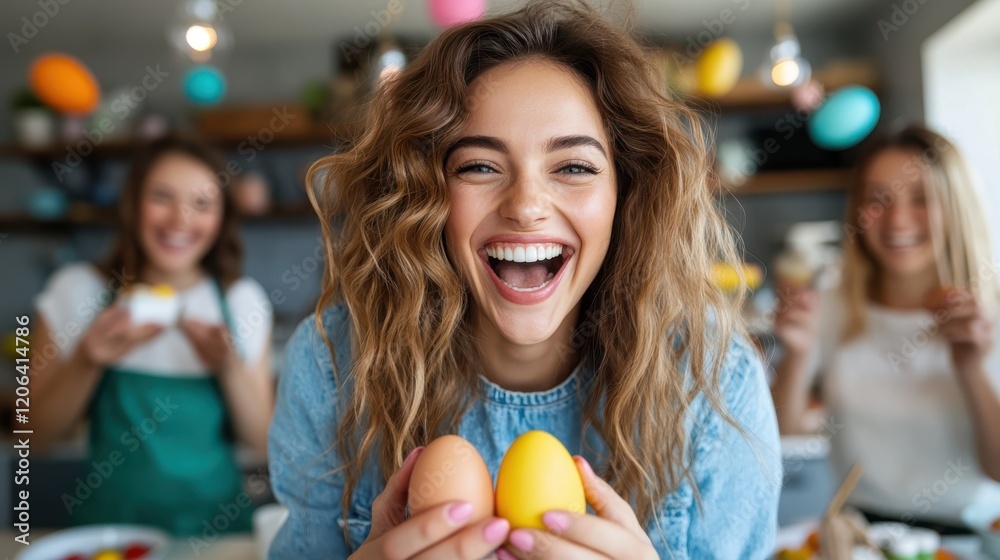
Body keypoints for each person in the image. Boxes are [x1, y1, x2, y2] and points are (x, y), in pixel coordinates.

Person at [268, 2, 781, 558]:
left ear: (626, 195)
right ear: (425, 196)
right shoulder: (331, 367)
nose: (527, 206)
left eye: (574, 167)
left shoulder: (713, 378)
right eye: (479, 166)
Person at [30, 134, 274, 535]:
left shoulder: (241, 301)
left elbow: (265, 443)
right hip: (109, 535)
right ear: (131, 205)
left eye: (202, 203)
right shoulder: (77, 291)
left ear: (222, 217)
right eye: (162, 197)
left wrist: (228, 367)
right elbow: (33, 438)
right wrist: (87, 360)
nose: (180, 220)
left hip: (217, 536)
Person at [771, 125, 1000, 533]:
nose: (897, 219)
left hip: (970, 537)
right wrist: (798, 354)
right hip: (859, 534)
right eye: (878, 199)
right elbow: (782, 435)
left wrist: (971, 370)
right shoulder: (833, 300)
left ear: (956, 206)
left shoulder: (988, 316)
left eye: (921, 199)